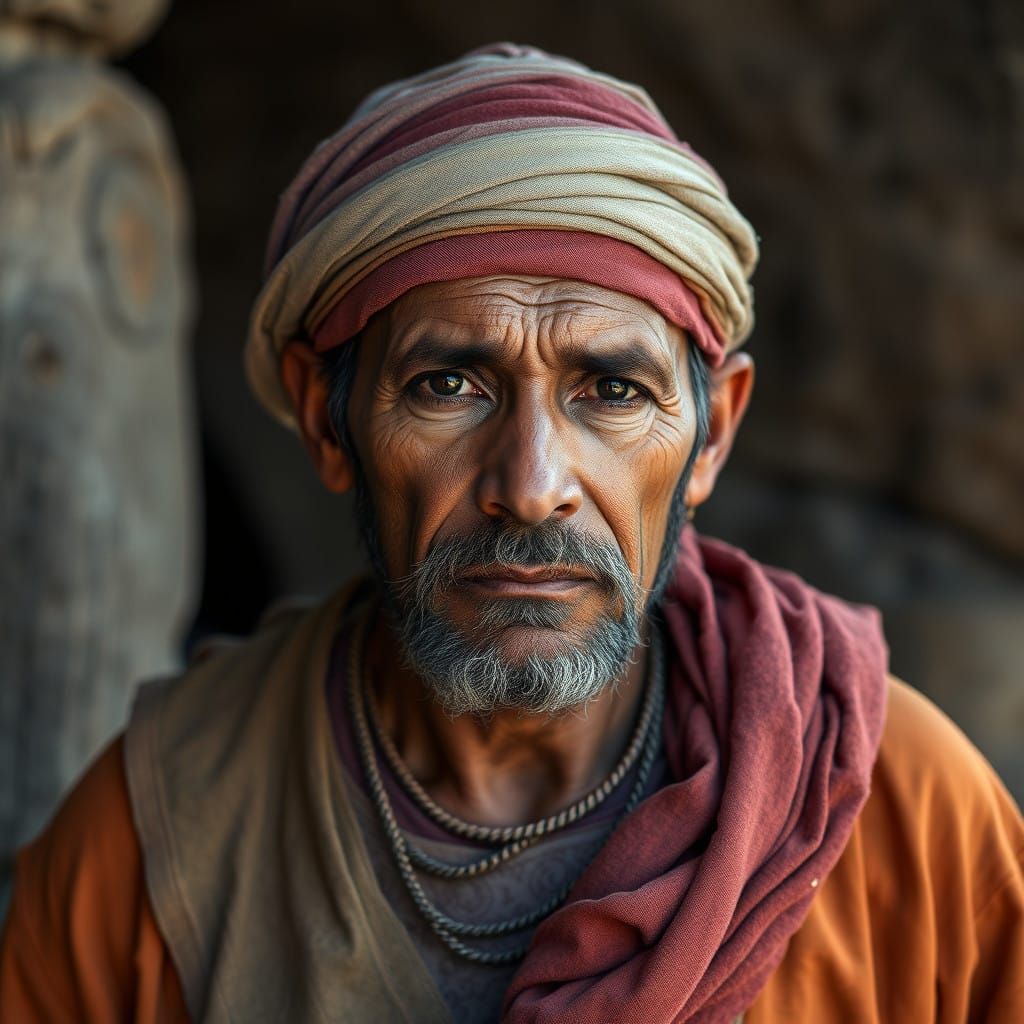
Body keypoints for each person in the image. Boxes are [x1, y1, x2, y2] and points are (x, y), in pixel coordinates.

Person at [1, 43, 1021, 1024]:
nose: (531, 488)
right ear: (327, 421)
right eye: (447, 385)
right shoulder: (152, 839)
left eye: (611, 390)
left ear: (710, 434)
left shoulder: (900, 810)